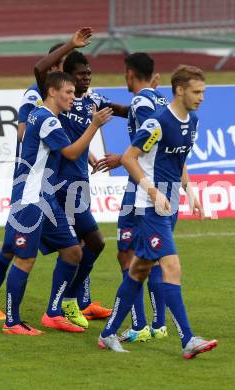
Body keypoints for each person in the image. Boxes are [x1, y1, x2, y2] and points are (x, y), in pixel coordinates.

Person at [98, 65, 218, 359]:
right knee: (171, 266)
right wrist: (153, 191)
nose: (201, 97)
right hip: (149, 207)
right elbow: (129, 158)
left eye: (203, 92)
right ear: (180, 90)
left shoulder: (193, 121)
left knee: (138, 270)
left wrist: (190, 191)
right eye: (197, 91)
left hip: (170, 204)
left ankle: (107, 333)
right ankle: (188, 339)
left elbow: (180, 159)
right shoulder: (157, 123)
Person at [0, 31, 92, 321]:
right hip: (33, 185)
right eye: (61, 65)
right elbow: (24, 130)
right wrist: (50, 138)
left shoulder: (65, 101)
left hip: (50, 187)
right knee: (17, 251)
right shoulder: (37, 95)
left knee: (68, 247)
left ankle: (60, 307)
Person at [2, 71, 112, 335]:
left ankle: (52, 313)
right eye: (68, 93)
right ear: (52, 92)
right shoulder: (46, 120)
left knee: (73, 251)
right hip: (30, 199)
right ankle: (12, 321)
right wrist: (94, 125)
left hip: (45, 198)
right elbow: (72, 153)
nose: (73, 98)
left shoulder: (47, 118)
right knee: (24, 259)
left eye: (74, 93)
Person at [34, 30, 128, 328]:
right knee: (77, 246)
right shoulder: (60, 100)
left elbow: (124, 111)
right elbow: (39, 70)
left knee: (95, 244)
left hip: (79, 185)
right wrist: (70, 45)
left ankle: (72, 302)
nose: (86, 77)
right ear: (66, 77)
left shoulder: (93, 100)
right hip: (58, 184)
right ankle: (59, 308)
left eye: (89, 72)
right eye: (80, 73)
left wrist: (155, 106)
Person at [94, 53, 170, 343]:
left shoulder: (142, 102)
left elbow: (149, 136)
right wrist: (111, 107)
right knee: (157, 253)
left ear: (129, 74)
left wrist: (124, 158)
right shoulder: (159, 100)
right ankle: (159, 324)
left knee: (128, 253)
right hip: (165, 182)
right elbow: (144, 117)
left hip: (141, 185)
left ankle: (138, 326)